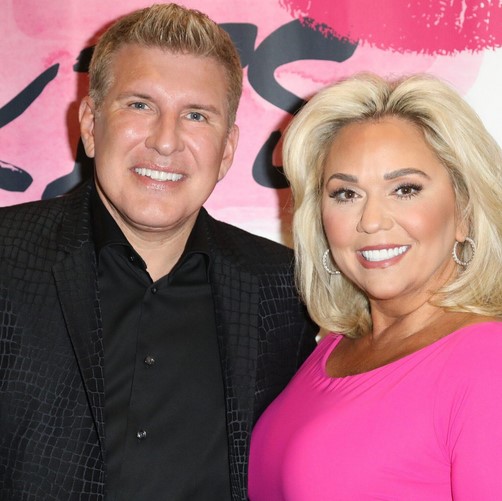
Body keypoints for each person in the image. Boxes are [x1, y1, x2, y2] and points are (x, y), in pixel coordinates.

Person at [0, 4, 317, 500]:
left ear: (227, 150)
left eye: (196, 115)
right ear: (90, 125)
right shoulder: (6, 257)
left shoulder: (285, 291)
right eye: (139, 105)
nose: (166, 142)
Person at [248, 72, 502, 499]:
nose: (371, 221)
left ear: (463, 211)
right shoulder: (333, 348)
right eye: (346, 194)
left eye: (405, 189)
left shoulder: (489, 362)